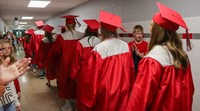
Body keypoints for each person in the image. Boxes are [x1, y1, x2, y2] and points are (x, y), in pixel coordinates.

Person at [126, 2, 194, 111]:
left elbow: (139, 101)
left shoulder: (153, 59)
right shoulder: (182, 56)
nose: (150, 29)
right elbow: (189, 92)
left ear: (157, 31)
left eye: (151, 26)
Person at [78, 10, 134, 111]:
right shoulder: (125, 46)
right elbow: (131, 70)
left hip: (106, 92)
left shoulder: (99, 49)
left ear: (102, 30)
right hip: (123, 88)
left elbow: (92, 78)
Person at [46, 15, 83, 111]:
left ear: (66, 24)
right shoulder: (82, 35)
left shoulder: (62, 37)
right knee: (76, 82)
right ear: (75, 24)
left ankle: (67, 104)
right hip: (78, 63)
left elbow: (55, 51)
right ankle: (75, 101)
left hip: (65, 63)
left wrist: (50, 62)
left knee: (65, 82)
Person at [69, 19, 101, 110]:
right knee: (96, 95)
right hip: (97, 74)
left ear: (87, 30)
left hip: (84, 74)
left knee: (83, 96)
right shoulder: (101, 42)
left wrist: (73, 75)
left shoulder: (80, 43)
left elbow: (76, 62)